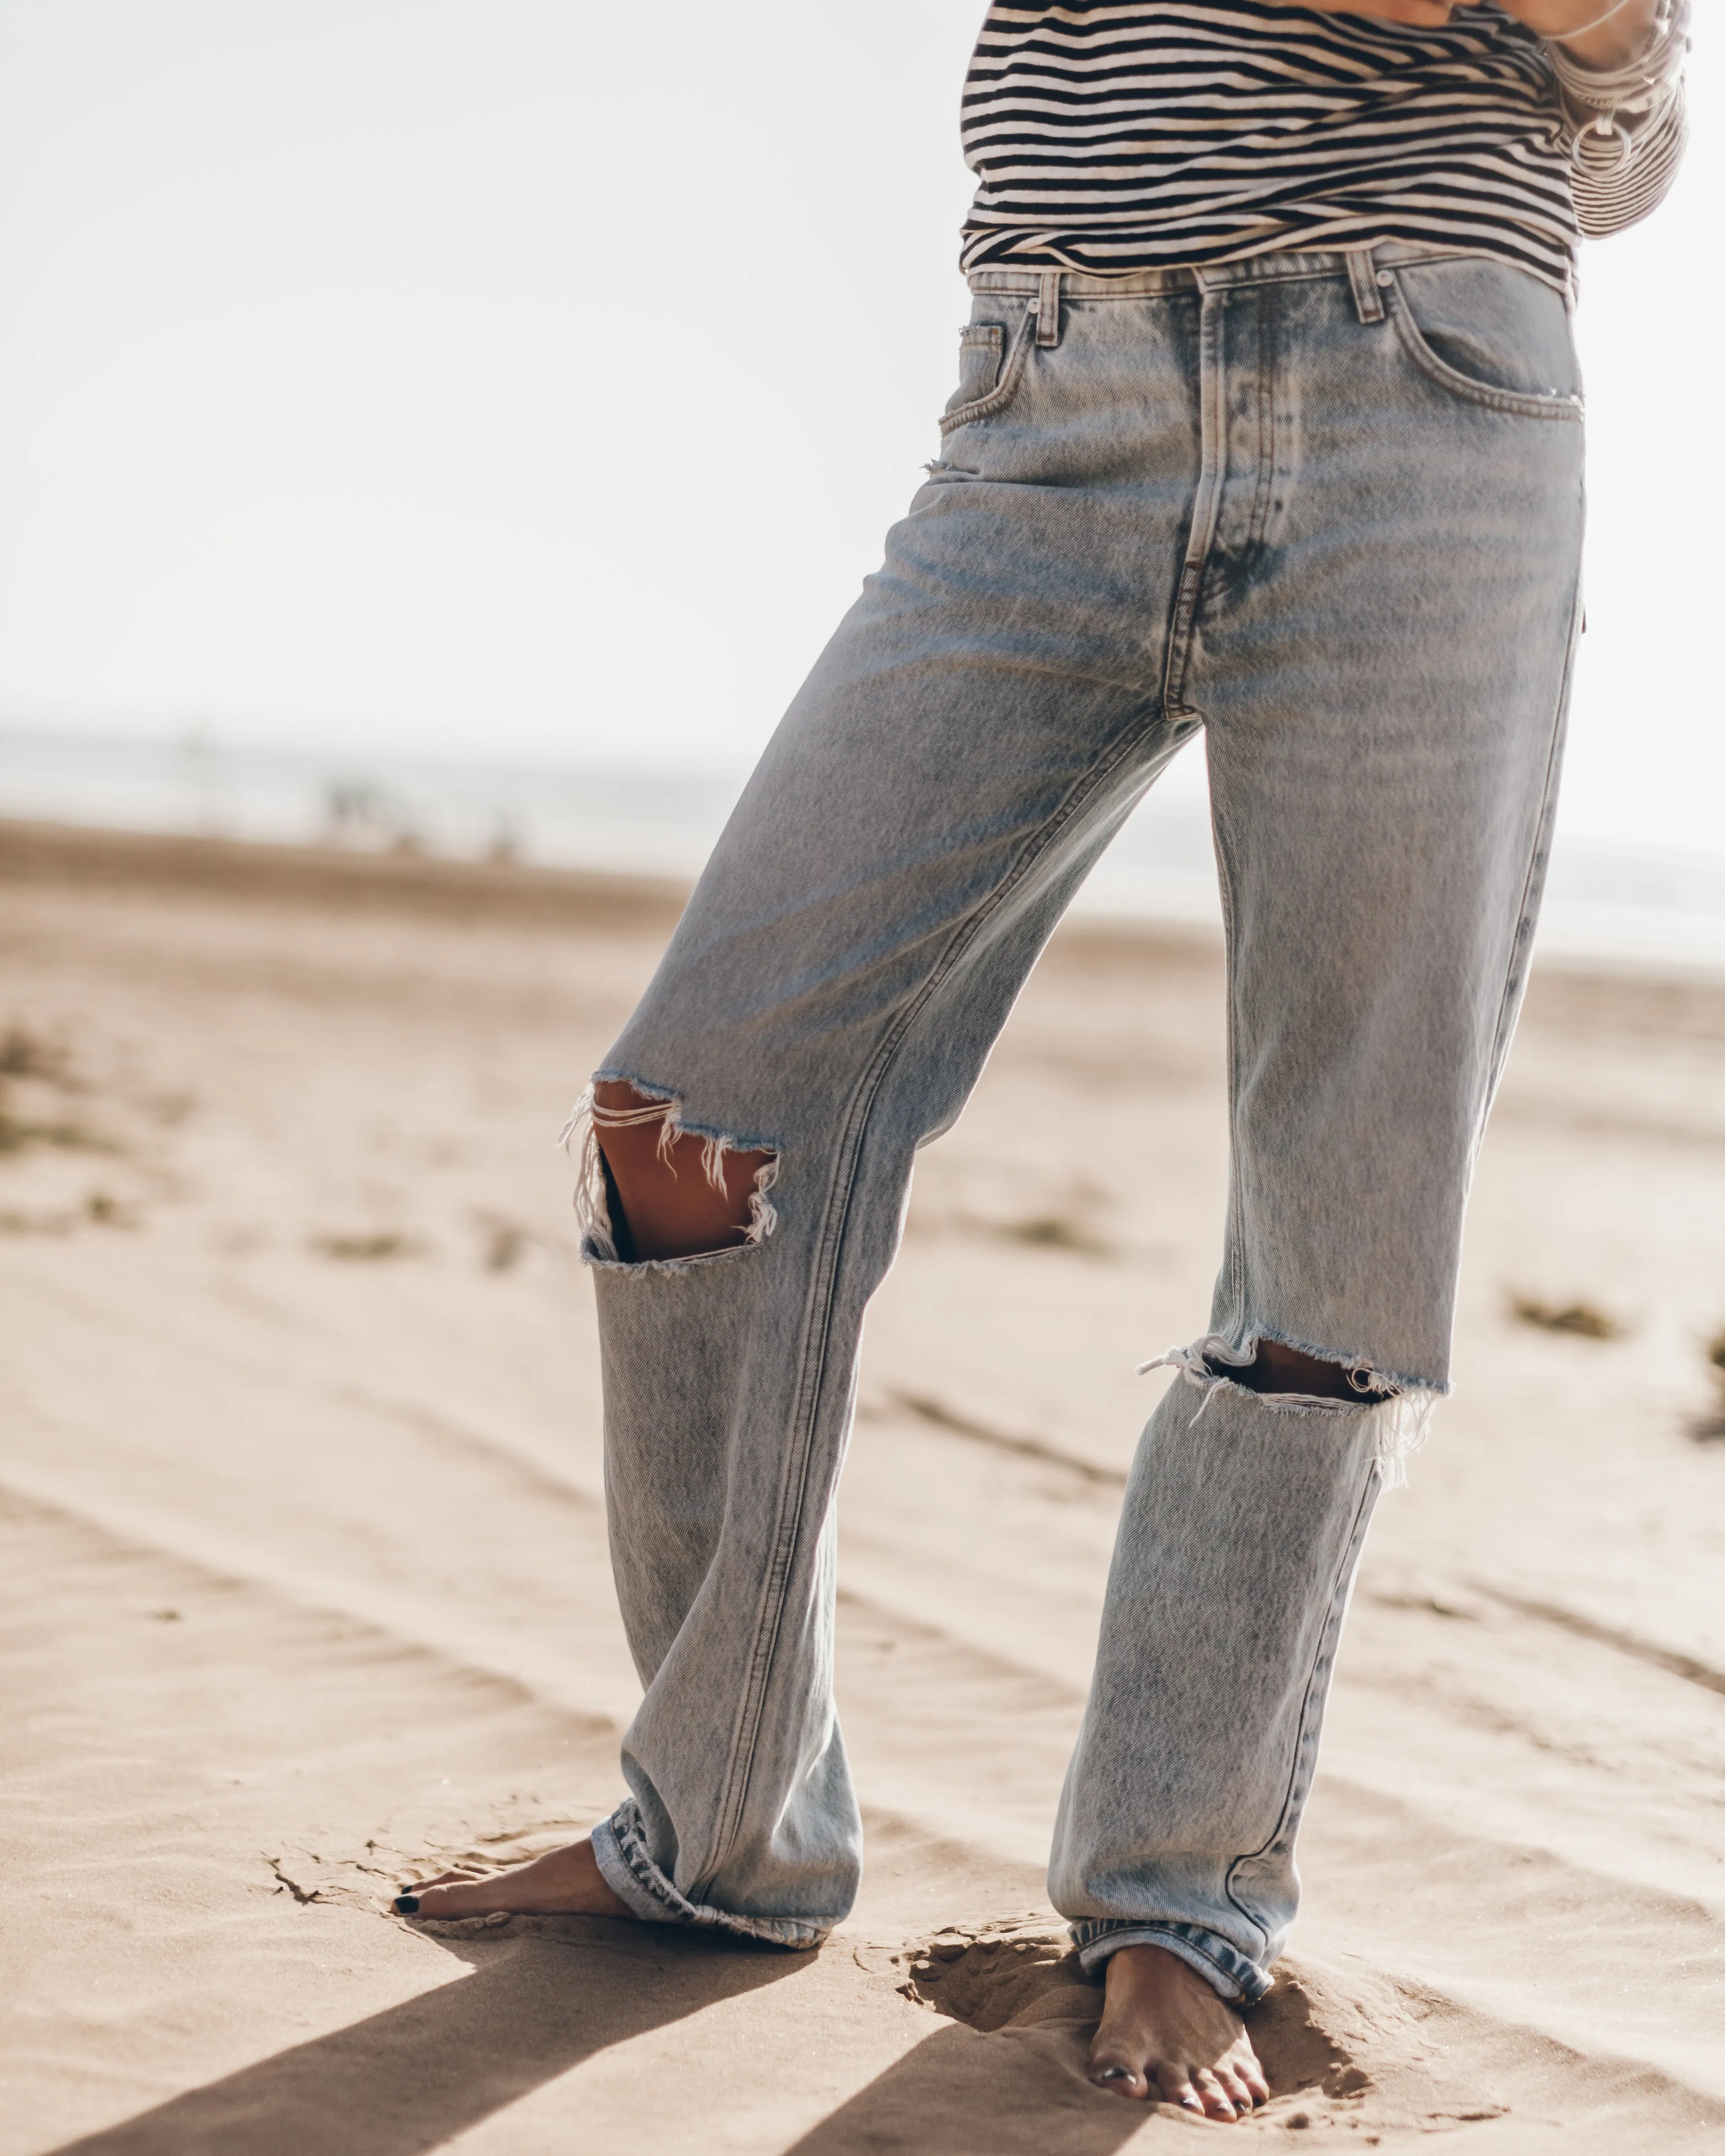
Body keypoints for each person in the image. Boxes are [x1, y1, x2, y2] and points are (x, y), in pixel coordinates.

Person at [395, 0, 1688, 2122]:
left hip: (1433, 402)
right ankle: (719, 1829)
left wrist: (1617, 56)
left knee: (1342, 1210)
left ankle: (1180, 1900)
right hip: (1047, 402)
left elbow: (1615, 153)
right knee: (688, 1119)